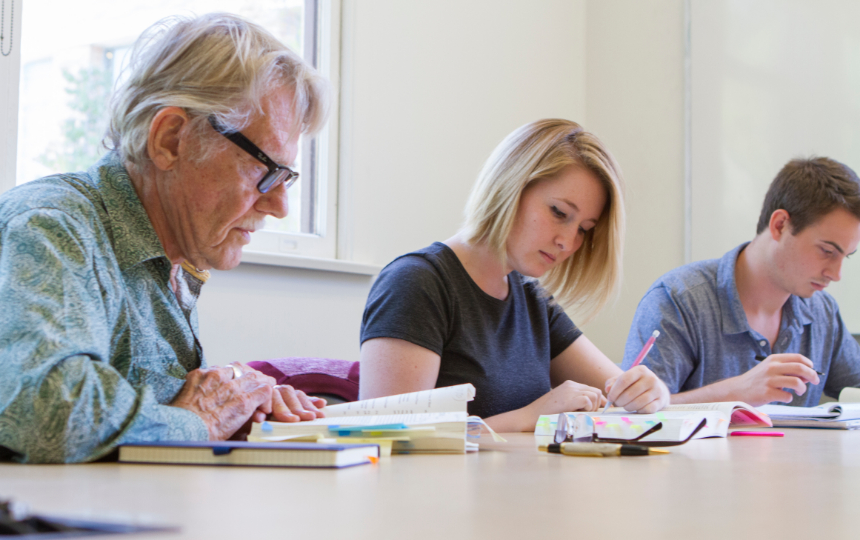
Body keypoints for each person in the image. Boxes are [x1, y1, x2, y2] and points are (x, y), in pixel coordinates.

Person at [0, 13, 330, 463]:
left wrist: (237, 407)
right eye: (266, 172)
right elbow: (49, 416)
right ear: (171, 139)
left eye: (288, 177)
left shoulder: (168, 264)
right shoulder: (46, 227)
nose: (280, 205)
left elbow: (147, 425)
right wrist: (202, 421)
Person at [359, 119, 670, 432]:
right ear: (511, 186)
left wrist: (649, 392)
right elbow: (388, 438)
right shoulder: (416, 284)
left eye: (583, 230)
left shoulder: (531, 297)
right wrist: (530, 416)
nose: (568, 242)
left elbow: (615, 389)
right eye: (559, 213)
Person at [623, 157, 860, 407]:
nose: (836, 274)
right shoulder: (677, 301)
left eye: (846, 256)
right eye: (826, 251)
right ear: (780, 225)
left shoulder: (823, 312)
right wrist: (737, 392)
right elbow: (633, 415)